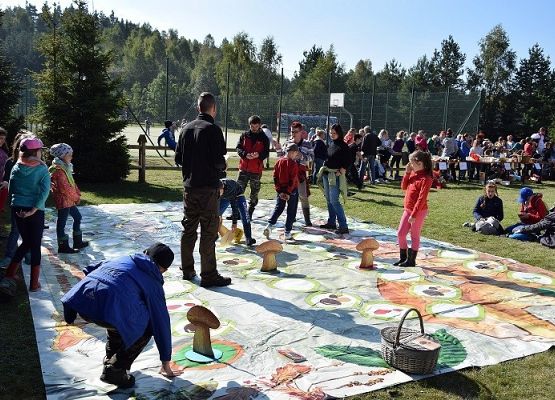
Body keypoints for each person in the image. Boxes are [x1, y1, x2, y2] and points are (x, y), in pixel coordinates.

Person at [61, 243, 182, 388]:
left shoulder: (122, 259)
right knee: (146, 325)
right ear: (163, 269)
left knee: (118, 313)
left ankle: (110, 359)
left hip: (82, 303)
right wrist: (165, 362)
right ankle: (116, 369)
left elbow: (90, 269)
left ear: (145, 253)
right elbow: (161, 323)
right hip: (106, 312)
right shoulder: (153, 282)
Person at [175, 92, 231, 287]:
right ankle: (208, 275)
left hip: (190, 189)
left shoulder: (185, 129)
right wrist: (222, 166)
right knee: (208, 231)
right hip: (208, 190)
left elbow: (178, 159)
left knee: (188, 228)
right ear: (213, 109)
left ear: (199, 108)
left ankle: (187, 269)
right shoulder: (213, 130)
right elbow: (218, 162)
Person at [0, 137, 50, 295]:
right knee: (34, 245)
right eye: (40, 150)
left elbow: (12, 189)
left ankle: (10, 273)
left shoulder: (16, 166)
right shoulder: (42, 170)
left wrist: (17, 207)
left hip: (17, 208)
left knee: (27, 242)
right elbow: (44, 192)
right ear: (36, 152)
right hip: (34, 210)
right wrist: (34, 210)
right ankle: (34, 284)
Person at [394, 150, 433, 267]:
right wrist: (406, 173)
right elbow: (403, 187)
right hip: (408, 209)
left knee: (414, 235)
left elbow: (421, 199)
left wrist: (414, 214)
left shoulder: (426, 179)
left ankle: (411, 260)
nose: (410, 165)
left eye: (412, 163)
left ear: (420, 163)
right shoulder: (412, 173)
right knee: (401, 233)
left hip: (419, 211)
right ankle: (403, 257)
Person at [49, 143, 89, 253]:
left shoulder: (65, 167)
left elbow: (72, 183)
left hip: (69, 200)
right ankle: (63, 246)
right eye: (70, 155)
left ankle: (77, 242)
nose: (71, 157)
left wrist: (77, 194)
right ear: (62, 155)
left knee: (78, 217)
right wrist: (75, 197)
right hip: (63, 200)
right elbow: (65, 188)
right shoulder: (58, 170)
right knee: (62, 222)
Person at [277, 121, 314, 226]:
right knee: (291, 196)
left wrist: (302, 156)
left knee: (303, 196)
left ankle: (307, 219)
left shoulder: (307, 143)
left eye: (295, 132)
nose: (293, 134)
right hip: (288, 175)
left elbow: (312, 157)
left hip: (300, 175)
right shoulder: (287, 143)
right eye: (292, 131)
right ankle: (291, 217)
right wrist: (278, 148)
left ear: (301, 132)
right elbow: (281, 157)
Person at [317, 124, 351, 235]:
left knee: (334, 201)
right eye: (331, 133)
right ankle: (331, 222)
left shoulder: (344, 146)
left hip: (334, 176)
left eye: (334, 133)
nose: (332, 135)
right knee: (328, 200)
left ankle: (343, 226)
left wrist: (342, 170)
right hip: (327, 174)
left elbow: (349, 160)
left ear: (339, 133)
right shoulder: (332, 144)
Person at [236, 115, 270, 218]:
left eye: (256, 126)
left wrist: (258, 155)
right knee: (238, 191)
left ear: (259, 125)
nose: (254, 128)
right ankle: (237, 213)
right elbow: (238, 148)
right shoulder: (244, 135)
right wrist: (245, 154)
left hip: (256, 170)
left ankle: (249, 212)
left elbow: (266, 152)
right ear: (249, 125)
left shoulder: (264, 138)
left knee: (254, 192)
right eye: (252, 126)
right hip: (243, 169)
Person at [263, 143, 299, 240]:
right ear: (293, 152)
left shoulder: (279, 162)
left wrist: (279, 191)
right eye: (296, 153)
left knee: (278, 208)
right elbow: (293, 180)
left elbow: (275, 177)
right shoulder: (293, 164)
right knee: (291, 211)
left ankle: (269, 226)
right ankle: (287, 232)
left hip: (281, 189)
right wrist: (287, 192)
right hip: (291, 190)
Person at [219, 178, 256, 246]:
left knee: (245, 215)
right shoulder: (215, 189)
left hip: (238, 195)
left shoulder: (230, 188)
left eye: (219, 192)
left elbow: (234, 207)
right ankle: (215, 235)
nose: (217, 194)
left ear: (222, 188)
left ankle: (248, 238)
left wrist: (234, 223)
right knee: (216, 214)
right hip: (225, 196)